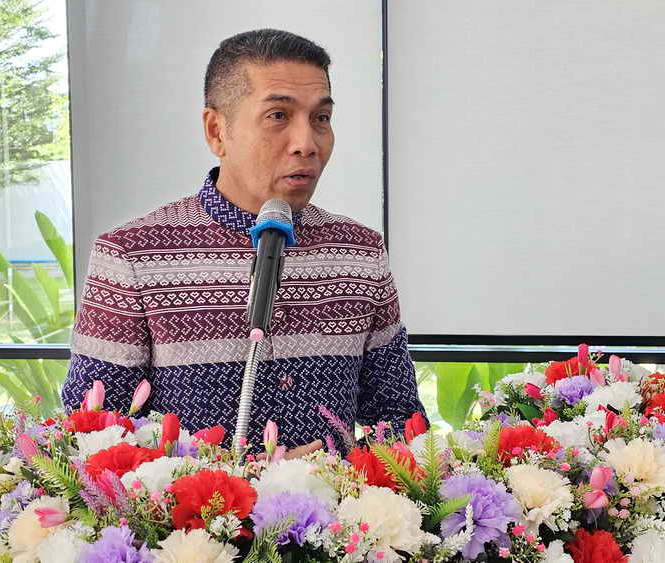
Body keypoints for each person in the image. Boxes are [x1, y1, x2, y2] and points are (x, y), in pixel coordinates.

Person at [61, 29, 425, 456]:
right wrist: (230, 477)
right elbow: (89, 440)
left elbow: (402, 425)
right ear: (217, 130)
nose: (306, 144)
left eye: (321, 118)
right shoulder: (131, 255)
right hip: (197, 501)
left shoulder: (361, 253)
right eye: (278, 116)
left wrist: (335, 475)